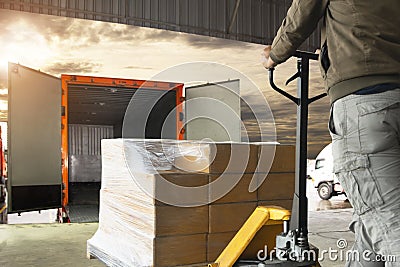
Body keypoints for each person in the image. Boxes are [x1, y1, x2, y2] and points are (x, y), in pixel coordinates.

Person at [262, 0, 400, 266]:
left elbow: (302, 13)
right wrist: (332, 50)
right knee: (371, 225)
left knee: (387, 223)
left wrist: (274, 55)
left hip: (364, 105)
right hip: (392, 98)